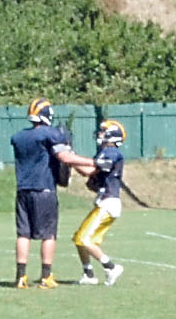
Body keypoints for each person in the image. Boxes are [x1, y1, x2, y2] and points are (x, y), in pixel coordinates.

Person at [10, 98, 94, 287]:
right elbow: (64, 157)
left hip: (23, 189)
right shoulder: (50, 134)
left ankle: (20, 276)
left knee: (23, 234)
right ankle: (46, 275)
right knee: (49, 234)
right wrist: (92, 163)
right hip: (44, 189)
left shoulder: (19, 137)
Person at [73, 120, 131, 284]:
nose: (99, 134)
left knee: (85, 240)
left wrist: (70, 157)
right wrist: (70, 161)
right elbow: (88, 173)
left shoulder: (112, 152)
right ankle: (89, 274)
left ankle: (111, 267)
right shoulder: (105, 152)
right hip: (104, 201)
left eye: (103, 131)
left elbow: (89, 170)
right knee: (79, 238)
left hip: (109, 203)